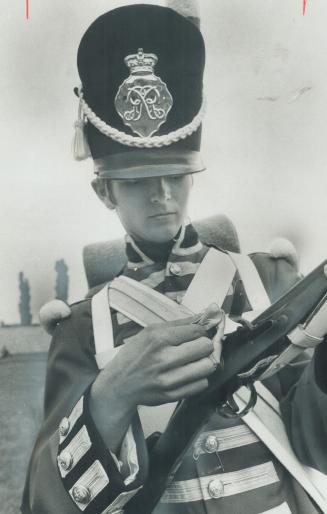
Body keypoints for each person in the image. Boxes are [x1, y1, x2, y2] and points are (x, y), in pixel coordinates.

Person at [22, 4, 327, 514]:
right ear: (105, 192)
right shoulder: (81, 328)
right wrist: (109, 396)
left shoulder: (268, 279)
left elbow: (314, 442)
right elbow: (45, 502)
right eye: (138, 181)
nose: (161, 194)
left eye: (174, 175)